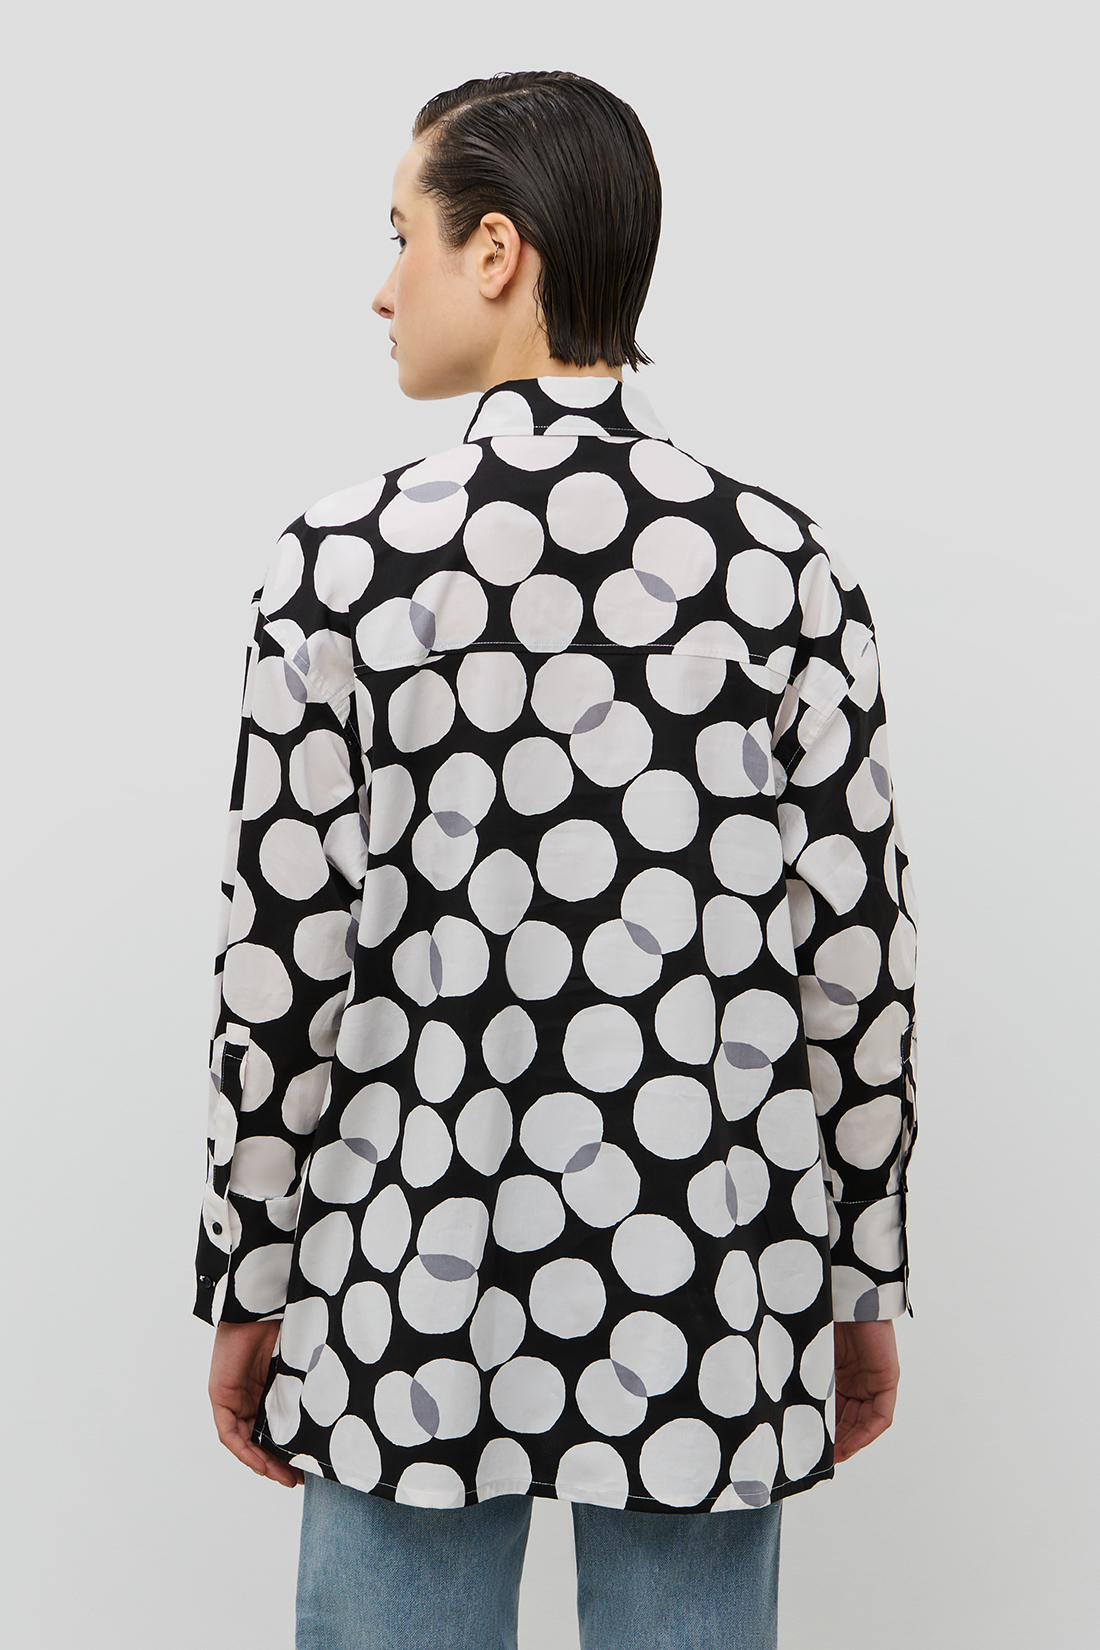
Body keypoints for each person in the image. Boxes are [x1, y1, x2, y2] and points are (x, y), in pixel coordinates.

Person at [195, 70, 917, 1650]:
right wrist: (860, 1275)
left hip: (401, 1277)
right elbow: (856, 968)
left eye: (404, 234)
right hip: (707, 1283)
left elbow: (281, 967)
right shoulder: (782, 570)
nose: (382, 286)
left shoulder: (339, 568)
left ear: (496, 251)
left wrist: (250, 1271)